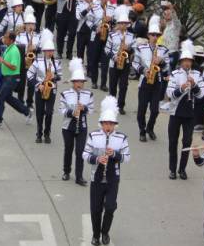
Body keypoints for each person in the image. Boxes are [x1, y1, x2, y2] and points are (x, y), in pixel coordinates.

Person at [82, 95, 131, 246]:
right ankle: (96, 235)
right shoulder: (93, 136)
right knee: (96, 209)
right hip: (96, 178)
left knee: (110, 207)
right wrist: (97, 159)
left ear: (115, 124)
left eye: (111, 123)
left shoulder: (121, 138)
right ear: (101, 123)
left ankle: (105, 232)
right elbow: (85, 154)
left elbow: (127, 157)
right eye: (105, 123)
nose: (108, 127)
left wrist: (114, 154)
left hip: (112, 179)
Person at [166, 40, 204, 180]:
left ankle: (182, 169)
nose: (187, 63)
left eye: (189, 61)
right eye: (184, 61)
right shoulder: (175, 74)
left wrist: (194, 85)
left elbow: (202, 94)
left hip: (190, 113)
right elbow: (169, 94)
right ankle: (172, 169)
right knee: (173, 142)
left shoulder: (197, 74)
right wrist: (181, 88)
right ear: (181, 62)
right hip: (176, 112)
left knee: (187, 142)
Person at [132, 15, 170, 142]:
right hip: (145, 80)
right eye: (152, 35)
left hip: (157, 82)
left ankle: (150, 128)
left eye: (157, 35)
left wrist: (161, 62)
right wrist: (144, 70)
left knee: (155, 110)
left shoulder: (163, 50)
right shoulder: (141, 48)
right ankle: (142, 130)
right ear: (148, 35)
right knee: (142, 109)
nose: (155, 37)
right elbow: (135, 63)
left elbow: (167, 68)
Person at [0, 31, 33, 129]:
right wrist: (0, 62)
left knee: (0, 98)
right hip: (6, 78)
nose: (4, 39)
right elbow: (6, 63)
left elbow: (14, 66)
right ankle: (27, 112)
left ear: (11, 40)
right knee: (8, 98)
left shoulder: (14, 51)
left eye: (6, 37)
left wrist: (2, 60)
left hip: (12, 78)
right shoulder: (8, 48)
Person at [60, 58, 94, 185]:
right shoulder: (65, 94)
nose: (80, 84)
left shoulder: (88, 94)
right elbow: (61, 110)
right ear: (73, 82)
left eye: (82, 81)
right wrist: (72, 112)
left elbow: (91, 110)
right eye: (77, 81)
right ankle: (66, 171)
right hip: (68, 127)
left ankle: (79, 176)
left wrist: (83, 108)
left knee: (80, 151)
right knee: (68, 149)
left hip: (82, 126)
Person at [104, 5, 135, 114]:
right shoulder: (112, 35)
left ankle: (120, 106)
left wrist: (129, 48)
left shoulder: (131, 36)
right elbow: (107, 49)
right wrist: (114, 57)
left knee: (123, 86)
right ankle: (112, 104)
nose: (123, 25)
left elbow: (134, 49)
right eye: (121, 23)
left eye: (125, 23)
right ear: (118, 24)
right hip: (114, 63)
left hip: (126, 63)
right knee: (112, 85)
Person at [87, 0, 115, 91]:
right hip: (96, 35)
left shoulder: (112, 8)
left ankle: (103, 84)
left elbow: (116, 23)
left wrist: (111, 20)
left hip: (108, 36)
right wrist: (96, 28)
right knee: (94, 59)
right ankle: (94, 81)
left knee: (105, 61)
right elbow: (88, 21)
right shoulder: (94, 7)